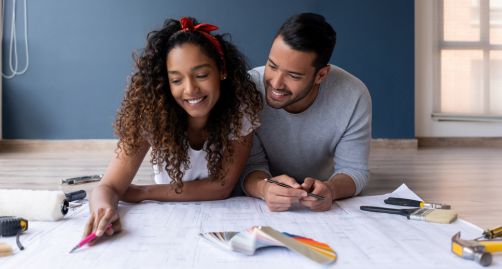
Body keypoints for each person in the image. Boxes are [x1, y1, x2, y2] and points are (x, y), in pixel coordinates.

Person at [84, 17, 262, 238]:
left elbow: (221, 187)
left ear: (222, 71)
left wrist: (143, 192)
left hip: (225, 218)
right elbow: (107, 187)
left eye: (201, 75)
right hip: (169, 220)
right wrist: (103, 211)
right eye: (176, 80)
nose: (190, 89)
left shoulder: (239, 110)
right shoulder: (152, 116)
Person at [242, 13, 372, 212]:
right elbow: (249, 166)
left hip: (321, 184)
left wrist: (331, 189)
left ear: (321, 75)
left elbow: (355, 170)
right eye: (272, 66)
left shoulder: (353, 95)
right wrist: (263, 188)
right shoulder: (248, 90)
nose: (276, 83)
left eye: (293, 75)